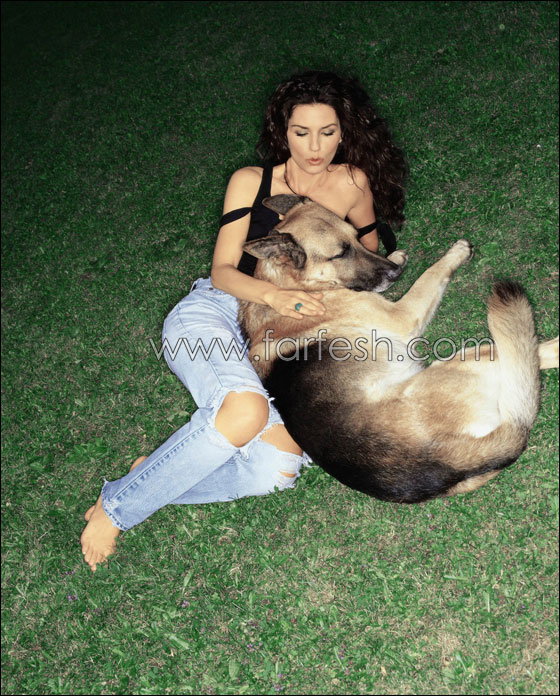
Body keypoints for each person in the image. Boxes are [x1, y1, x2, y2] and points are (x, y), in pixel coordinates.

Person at [80, 70, 408, 571]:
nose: (314, 147)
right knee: (245, 411)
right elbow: (223, 270)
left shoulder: (352, 183)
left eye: (327, 132)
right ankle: (117, 508)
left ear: (344, 132)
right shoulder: (252, 182)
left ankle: (155, 474)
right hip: (217, 310)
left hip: (282, 336)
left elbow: (364, 255)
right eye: (301, 132)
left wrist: (360, 276)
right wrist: (276, 295)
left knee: (275, 472)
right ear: (283, 130)